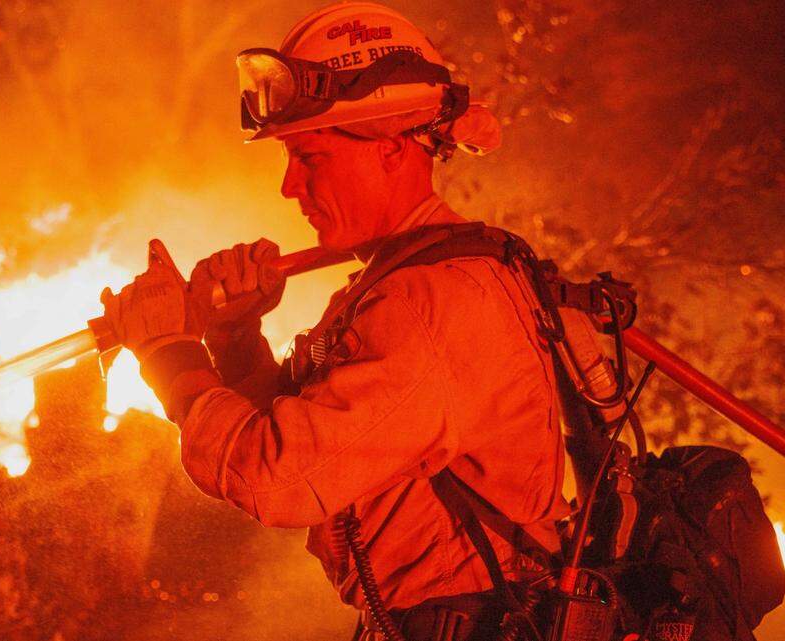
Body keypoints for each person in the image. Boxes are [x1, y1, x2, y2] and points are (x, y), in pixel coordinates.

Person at [100, 3, 569, 639]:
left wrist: (167, 354)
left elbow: (279, 478)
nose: (290, 187)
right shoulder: (417, 280)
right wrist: (235, 341)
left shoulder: (430, 304)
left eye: (312, 158)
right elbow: (334, 445)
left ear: (392, 150)